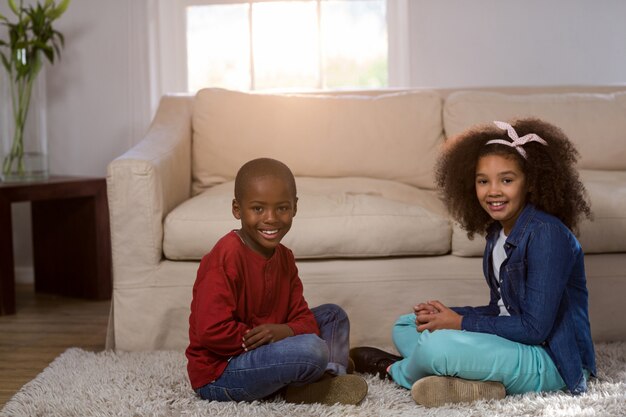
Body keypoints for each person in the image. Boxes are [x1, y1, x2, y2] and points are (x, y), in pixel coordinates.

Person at [350, 118, 596, 407]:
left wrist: (459, 323)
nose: (493, 191)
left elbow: (535, 329)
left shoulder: (547, 235)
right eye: (483, 181)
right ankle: (477, 383)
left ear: (530, 183)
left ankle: (396, 371)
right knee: (408, 325)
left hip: (550, 359)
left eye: (506, 180)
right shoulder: (497, 233)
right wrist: (446, 314)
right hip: (513, 343)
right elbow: (501, 309)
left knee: (438, 345)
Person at [185, 157, 367, 405]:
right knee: (313, 349)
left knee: (333, 315)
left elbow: (304, 320)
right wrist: (272, 338)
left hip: (269, 345)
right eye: (258, 208)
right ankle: (318, 369)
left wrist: (284, 331)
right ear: (237, 209)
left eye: (282, 208)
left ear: (295, 207)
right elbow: (211, 332)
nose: (271, 218)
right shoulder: (226, 256)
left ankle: (330, 376)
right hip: (222, 372)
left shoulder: (285, 258)